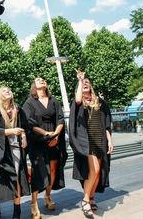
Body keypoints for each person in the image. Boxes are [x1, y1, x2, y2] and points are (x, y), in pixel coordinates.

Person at [69, 69, 113, 219]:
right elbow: (78, 99)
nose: (85, 83)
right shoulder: (78, 102)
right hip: (85, 140)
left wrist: (109, 140)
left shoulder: (100, 102)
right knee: (93, 170)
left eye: (87, 82)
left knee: (98, 170)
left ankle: (92, 196)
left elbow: (107, 124)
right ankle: (85, 200)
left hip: (99, 139)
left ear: (92, 86)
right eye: (83, 83)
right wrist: (80, 80)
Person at [23, 77, 68, 219]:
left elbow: (60, 118)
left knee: (53, 168)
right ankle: (34, 202)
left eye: (43, 79)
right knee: (38, 171)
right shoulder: (29, 102)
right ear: (34, 86)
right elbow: (29, 122)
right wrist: (46, 134)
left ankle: (48, 196)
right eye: (38, 80)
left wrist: (55, 135)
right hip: (37, 138)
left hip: (54, 137)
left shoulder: (53, 100)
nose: (41, 80)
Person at [0, 86, 30, 219]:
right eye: (4, 91)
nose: (8, 92)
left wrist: (23, 136)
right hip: (1, 149)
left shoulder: (17, 109)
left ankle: (16, 212)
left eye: (9, 90)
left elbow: (25, 126)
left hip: (16, 147)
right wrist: (13, 131)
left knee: (16, 177)